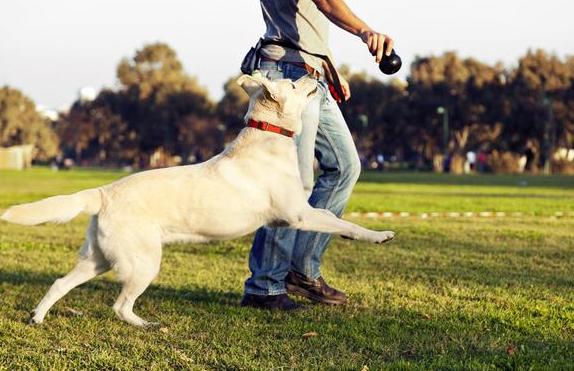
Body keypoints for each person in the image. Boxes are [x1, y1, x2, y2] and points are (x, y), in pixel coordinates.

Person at [241, 0, 395, 310]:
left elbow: (306, 24)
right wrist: (365, 31)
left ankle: (301, 271)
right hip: (288, 76)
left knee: (344, 167)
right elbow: (326, 3)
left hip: (311, 75)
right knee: (293, 185)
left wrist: (328, 67)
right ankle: (265, 286)